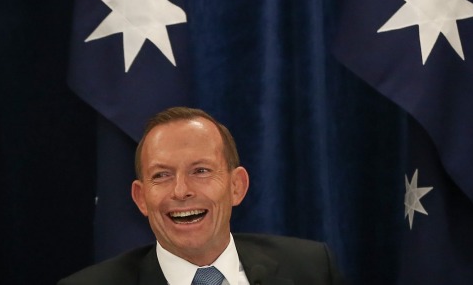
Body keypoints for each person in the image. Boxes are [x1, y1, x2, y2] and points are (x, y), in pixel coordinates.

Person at [59, 106, 344, 284]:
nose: (181, 191)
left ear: (237, 186)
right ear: (141, 198)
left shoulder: (312, 269)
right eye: (162, 175)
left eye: (201, 171)